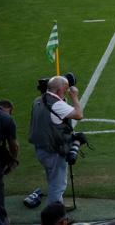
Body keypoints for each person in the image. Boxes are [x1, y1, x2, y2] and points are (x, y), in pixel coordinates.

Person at [28, 77, 82, 206]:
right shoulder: (56, 104)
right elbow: (79, 114)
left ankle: (58, 209)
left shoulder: (38, 101)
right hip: (53, 151)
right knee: (57, 186)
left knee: (53, 181)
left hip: (41, 149)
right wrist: (74, 96)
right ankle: (54, 216)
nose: (67, 91)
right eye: (66, 89)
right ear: (59, 90)